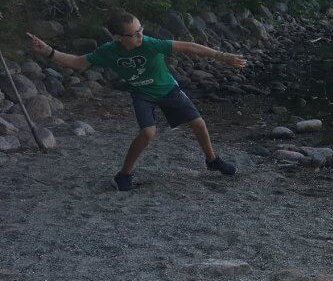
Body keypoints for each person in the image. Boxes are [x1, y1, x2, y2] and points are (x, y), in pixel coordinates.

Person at [26, 10, 246, 191]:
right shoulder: (109, 51)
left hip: (167, 88)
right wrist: (47, 51)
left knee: (198, 124)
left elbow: (189, 46)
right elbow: (77, 62)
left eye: (141, 30)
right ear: (118, 37)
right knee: (148, 132)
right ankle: (124, 175)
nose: (141, 36)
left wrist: (222, 57)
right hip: (142, 93)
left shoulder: (150, 44)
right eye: (135, 34)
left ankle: (212, 161)